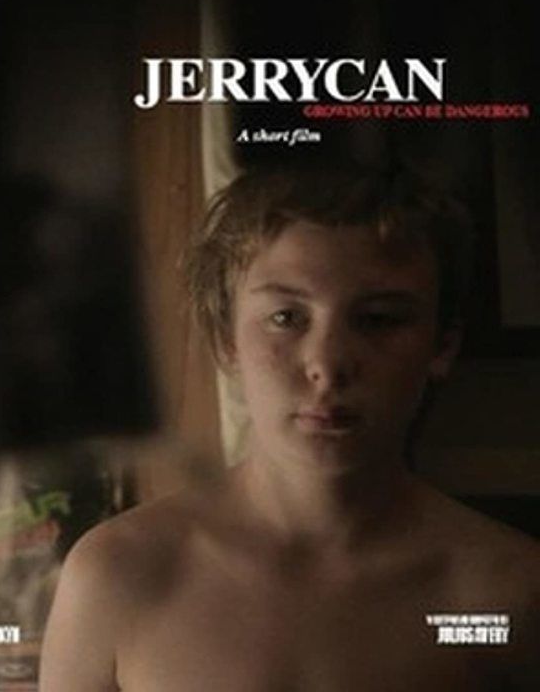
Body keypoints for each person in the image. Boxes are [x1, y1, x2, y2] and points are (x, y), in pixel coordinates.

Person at [39, 161, 539, 691]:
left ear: (442, 346)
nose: (327, 363)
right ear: (226, 340)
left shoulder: (510, 591)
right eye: (286, 318)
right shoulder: (120, 574)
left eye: (378, 319)